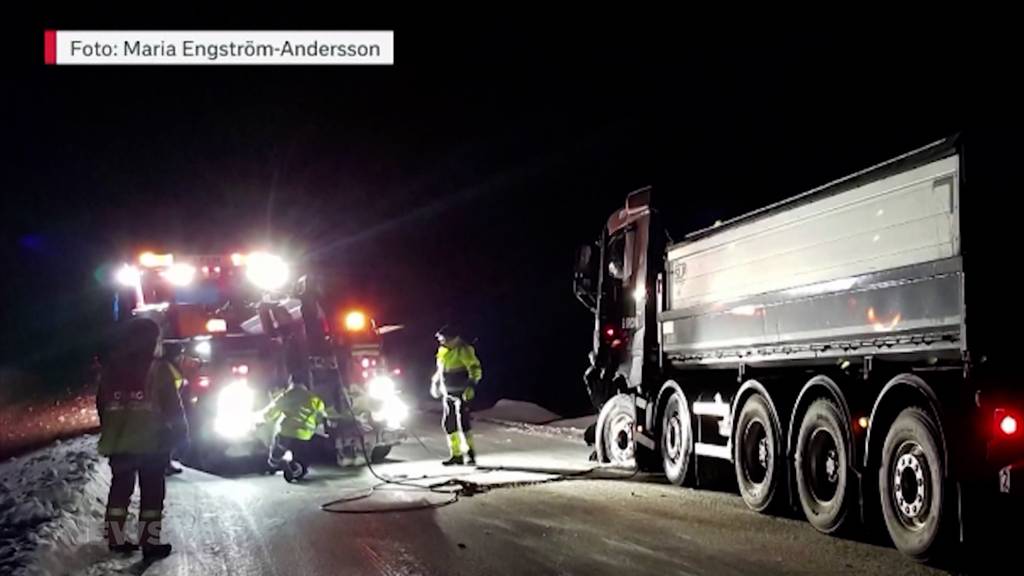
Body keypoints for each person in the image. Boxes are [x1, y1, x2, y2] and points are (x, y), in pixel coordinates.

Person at [97, 318, 188, 559]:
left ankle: (115, 539)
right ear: (153, 340)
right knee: (151, 494)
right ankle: (149, 542)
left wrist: (112, 428)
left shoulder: (112, 367)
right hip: (151, 442)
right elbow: (172, 406)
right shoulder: (159, 369)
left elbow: (102, 404)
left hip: (119, 441)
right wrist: (180, 433)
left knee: (119, 491)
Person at [430, 324, 482, 465]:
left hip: (462, 392)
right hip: (448, 392)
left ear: (454, 338)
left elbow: (475, 369)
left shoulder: (463, 350)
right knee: (448, 423)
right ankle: (456, 455)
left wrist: (471, 386)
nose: (441, 341)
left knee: (463, 422)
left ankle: (470, 453)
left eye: (443, 338)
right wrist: (435, 383)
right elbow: (440, 370)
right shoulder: (443, 351)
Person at [261, 374, 328, 478]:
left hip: (286, 434)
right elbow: (322, 415)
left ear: (291, 382)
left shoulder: (286, 396)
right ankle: (299, 468)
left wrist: (263, 419)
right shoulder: (314, 399)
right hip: (305, 435)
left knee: (277, 449)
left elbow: (270, 413)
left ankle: (274, 463)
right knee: (303, 458)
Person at [161, 342, 187, 476]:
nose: (181, 356)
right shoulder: (165, 367)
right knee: (167, 437)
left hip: (169, 405)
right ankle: (164, 464)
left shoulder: (170, 366)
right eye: (180, 353)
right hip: (165, 408)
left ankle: (166, 462)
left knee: (170, 436)